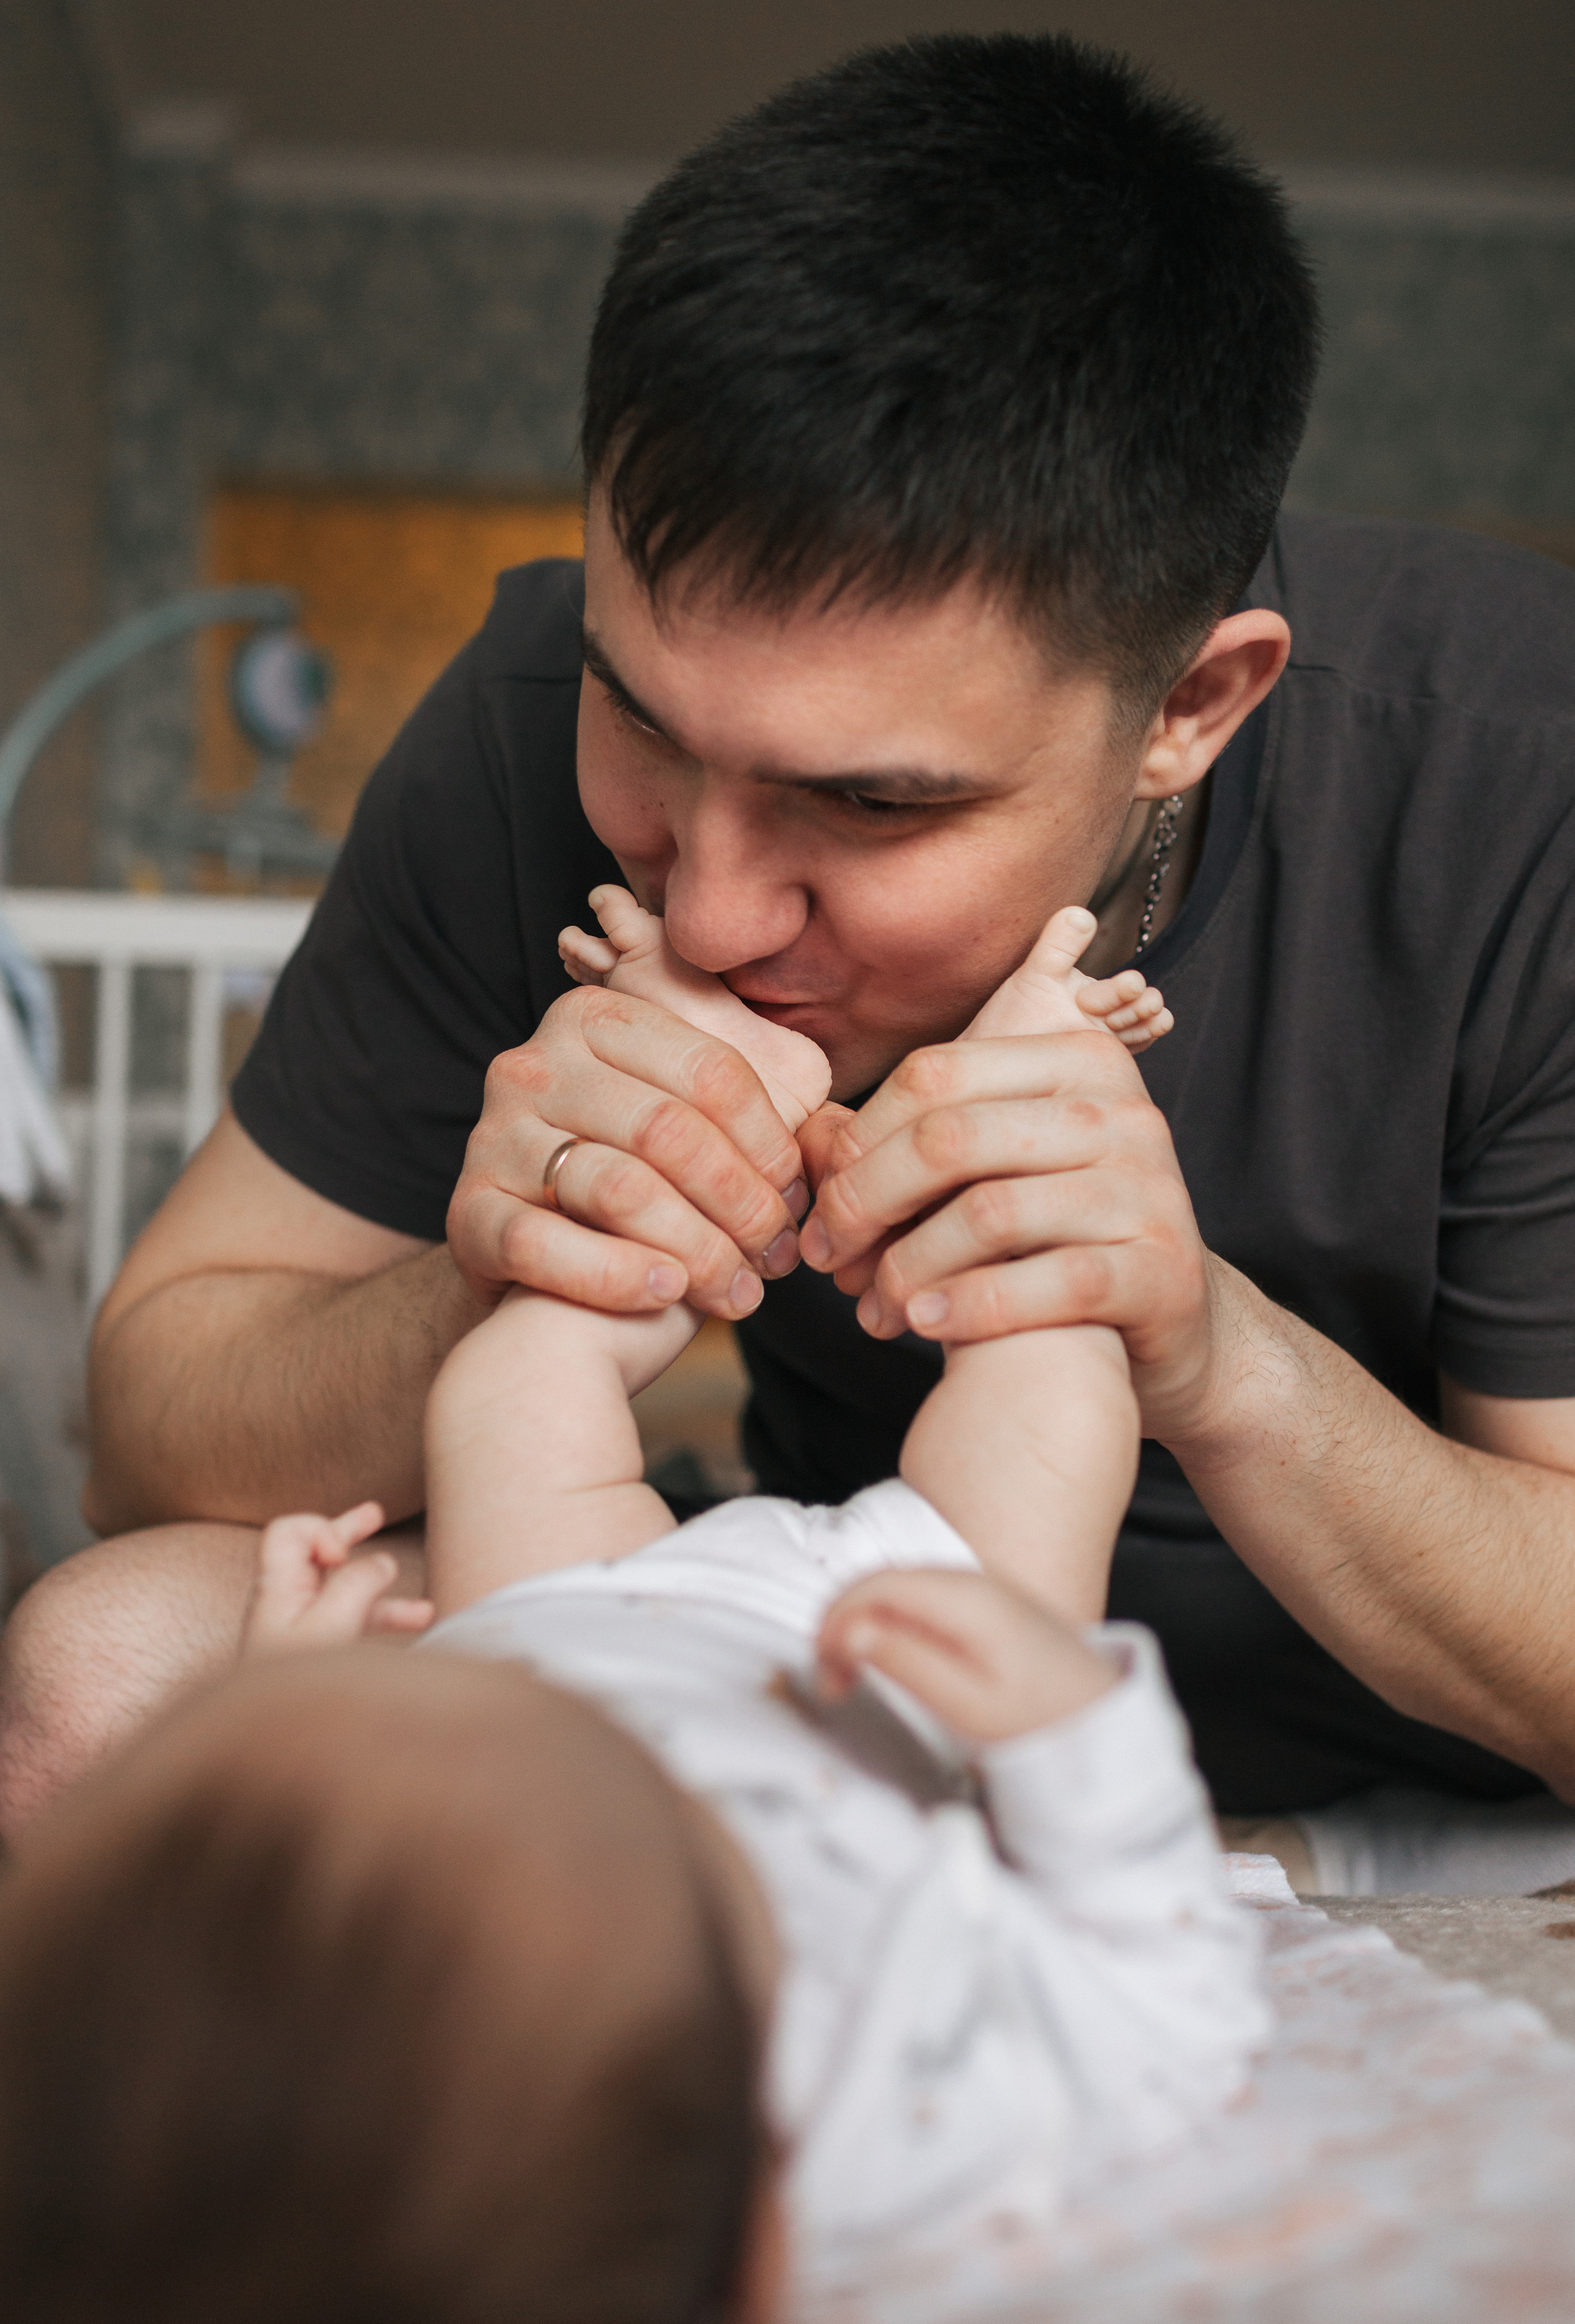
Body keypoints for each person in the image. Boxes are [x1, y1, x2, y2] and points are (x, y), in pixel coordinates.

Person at [7, 31, 1575, 1868]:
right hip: (819, 1661)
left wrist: (1219, 1358)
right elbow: (143, 1440)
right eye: (645, 726)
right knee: (94, 1675)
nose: (710, 912)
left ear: (1194, 710)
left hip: (1430, 1778)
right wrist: (499, 1269)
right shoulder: (515, 720)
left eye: (872, 808)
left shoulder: (1518, 777)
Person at [0, 908, 1261, 2321]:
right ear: (771, 2258)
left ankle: (681, 1097)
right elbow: (1166, 2004)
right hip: (882, 1667)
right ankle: (1026, 1084)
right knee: (1048, 1392)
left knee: (506, 1390)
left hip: (537, 1634)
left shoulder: (289, 2098)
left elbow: (234, 1918)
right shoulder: (889, 2116)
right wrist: (1068, 1734)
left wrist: (283, 1692)